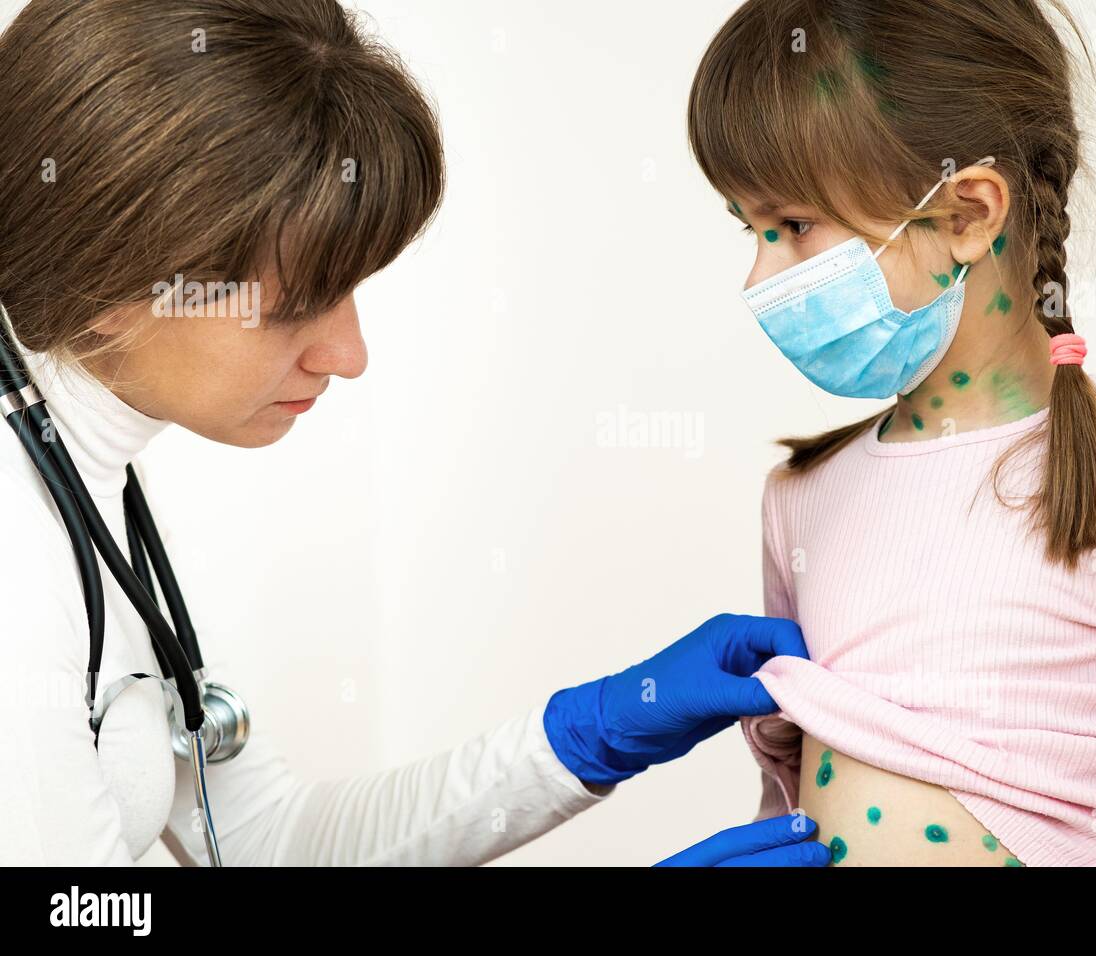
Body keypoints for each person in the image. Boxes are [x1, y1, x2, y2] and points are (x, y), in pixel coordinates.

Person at [0, 0, 831, 867]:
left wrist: (579, 739)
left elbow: (269, 843)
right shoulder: (11, 557)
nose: (348, 354)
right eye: (290, 309)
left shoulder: (86, 481)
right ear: (107, 275)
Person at [683, 0, 1096, 866]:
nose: (760, 273)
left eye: (792, 226)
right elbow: (784, 815)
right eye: (749, 229)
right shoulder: (801, 498)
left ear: (969, 213)